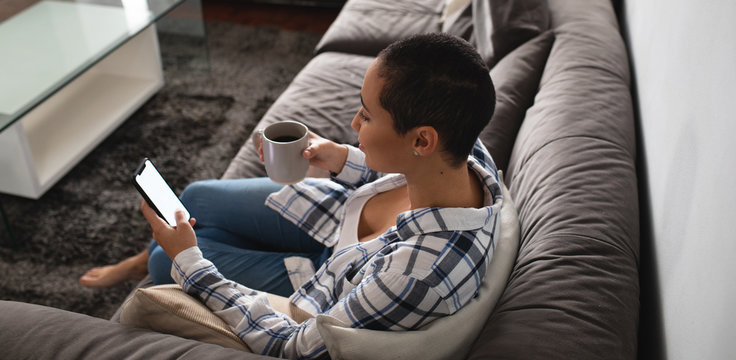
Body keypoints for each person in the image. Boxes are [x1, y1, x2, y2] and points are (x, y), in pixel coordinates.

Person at [82, 32, 501, 358]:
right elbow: (406, 166)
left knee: (166, 261)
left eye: (368, 115)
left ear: (422, 140)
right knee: (197, 196)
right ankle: (156, 250)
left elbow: (296, 346)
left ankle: (159, 253)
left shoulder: (412, 278)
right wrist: (339, 159)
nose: (355, 121)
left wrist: (189, 261)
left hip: (327, 281)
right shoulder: (465, 149)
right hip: (339, 216)